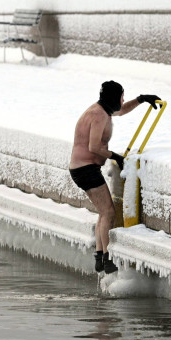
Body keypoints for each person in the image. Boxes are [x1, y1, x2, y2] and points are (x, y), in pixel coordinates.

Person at [69, 81, 160, 273]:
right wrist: (115, 156)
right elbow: (93, 148)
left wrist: (142, 99)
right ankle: (106, 257)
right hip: (85, 169)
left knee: (104, 212)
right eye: (122, 96)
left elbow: (121, 110)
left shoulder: (103, 110)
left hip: (85, 168)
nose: (123, 100)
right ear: (113, 97)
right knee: (108, 212)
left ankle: (100, 257)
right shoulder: (98, 115)